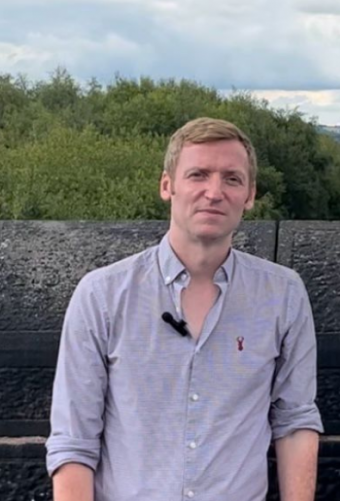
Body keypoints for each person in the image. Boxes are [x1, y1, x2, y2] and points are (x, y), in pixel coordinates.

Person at [46, 118, 322, 501]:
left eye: (232, 179)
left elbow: (294, 421)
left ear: (250, 194)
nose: (214, 192)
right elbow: (74, 442)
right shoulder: (102, 296)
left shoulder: (283, 294)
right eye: (197, 175)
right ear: (167, 185)